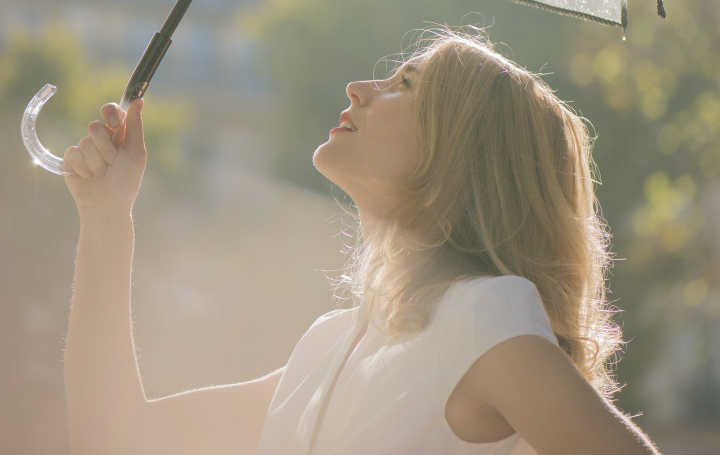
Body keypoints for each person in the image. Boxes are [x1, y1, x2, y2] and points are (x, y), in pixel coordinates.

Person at [62, 28, 663, 455]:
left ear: (461, 153)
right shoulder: (327, 345)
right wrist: (106, 216)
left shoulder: (485, 317)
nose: (358, 87)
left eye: (408, 82)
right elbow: (113, 435)